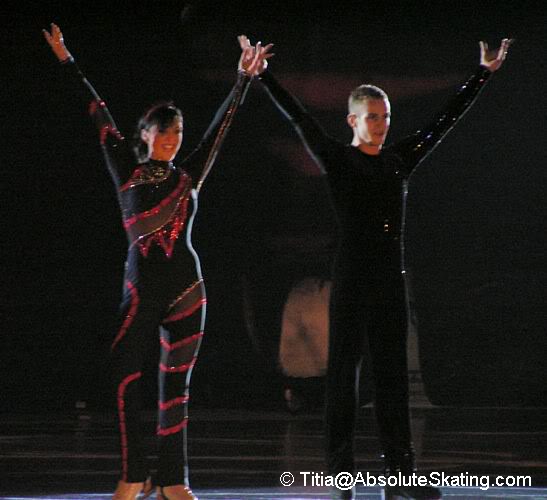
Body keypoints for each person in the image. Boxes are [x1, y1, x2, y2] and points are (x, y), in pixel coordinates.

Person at [240, 34, 511, 499]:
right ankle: (340, 476)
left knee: (392, 385)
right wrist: (264, 77)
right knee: (343, 382)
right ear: (353, 120)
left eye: (385, 117)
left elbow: (443, 121)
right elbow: (299, 118)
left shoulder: (399, 161)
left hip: (389, 283)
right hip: (352, 280)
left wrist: (481, 75)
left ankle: (401, 477)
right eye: (372, 117)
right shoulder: (338, 159)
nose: (381, 125)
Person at [43, 24, 272, 500]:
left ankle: (173, 480)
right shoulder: (125, 170)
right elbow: (97, 111)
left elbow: (220, 129)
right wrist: (67, 61)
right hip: (140, 291)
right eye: (163, 130)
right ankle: (134, 475)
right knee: (125, 376)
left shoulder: (189, 177)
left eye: (178, 131)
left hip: (188, 289)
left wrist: (243, 80)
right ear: (144, 134)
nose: (172, 138)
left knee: (176, 390)